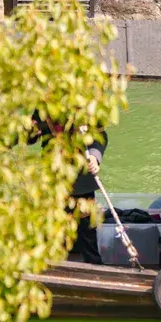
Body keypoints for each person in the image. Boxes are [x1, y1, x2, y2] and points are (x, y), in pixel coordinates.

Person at [30, 112, 107, 264]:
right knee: (52, 222)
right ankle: (51, 264)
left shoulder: (88, 105)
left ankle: (93, 266)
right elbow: (30, 136)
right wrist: (30, 130)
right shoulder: (46, 106)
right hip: (53, 174)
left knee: (87, 229)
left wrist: (94, 157)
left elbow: (100, 136)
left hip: (81, 175)